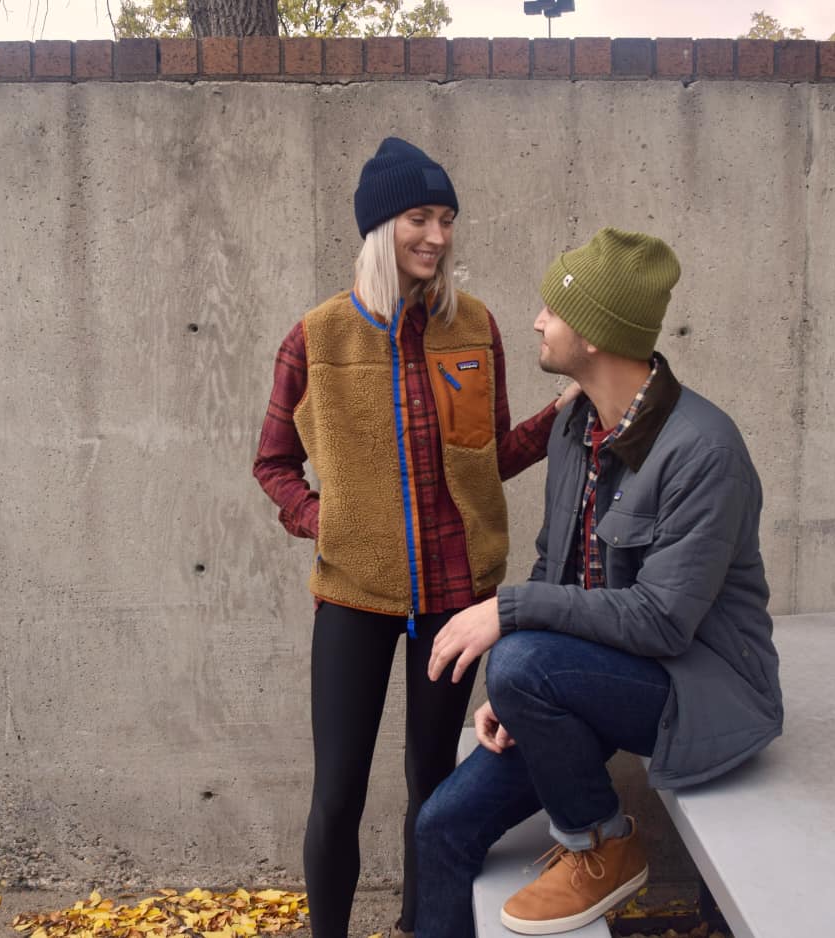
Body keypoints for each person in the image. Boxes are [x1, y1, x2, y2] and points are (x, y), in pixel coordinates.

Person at [415, 227, 784, 937]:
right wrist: (515, 696)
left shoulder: (705, 450)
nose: (537, 321)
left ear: (593, 335)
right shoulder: (575, 427)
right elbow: (552, 566)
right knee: (440, 827)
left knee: (521, 656)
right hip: (594, 678)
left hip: (700, 689)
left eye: (552, 309)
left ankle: (603, 843)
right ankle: (581, 813)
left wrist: (509, 621)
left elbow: (662, 622)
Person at [253, 138, 577, 938]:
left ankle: (418, 927)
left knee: (432, 779)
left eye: (446, 219)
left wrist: (556, 419)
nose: (437, 235)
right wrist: (325, 521)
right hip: (353, 594)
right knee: (338, 794)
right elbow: (273, 463)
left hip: (455, 597)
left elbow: (488, 456)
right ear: (379, 227)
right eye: (419, 218)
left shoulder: (474, 328)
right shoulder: (317, 337)